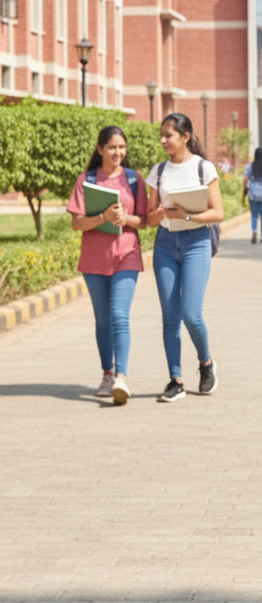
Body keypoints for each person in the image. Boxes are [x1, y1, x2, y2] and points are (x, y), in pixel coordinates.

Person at [67, 125, 148, 404]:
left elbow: (144, 220)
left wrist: (125, 219)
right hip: (94, 258)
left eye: (122, 147)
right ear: (100, 149)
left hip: (127, 253)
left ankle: (121, 378)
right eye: (112, 147)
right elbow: (77, 222)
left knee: (118, 315)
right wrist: (103, 216)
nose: (118, 152)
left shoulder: (134, 179)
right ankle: (107, 373)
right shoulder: (87, 179)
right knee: (102, 320)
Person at [146, 113, 224, 401]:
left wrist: (188, 215)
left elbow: (218, 212)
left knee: (191, 314)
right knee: (169, 317)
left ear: (185, 137)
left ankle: (206, 363)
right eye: (162, 135)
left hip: (196, 243)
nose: (164, 140)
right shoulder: (158, 171)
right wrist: (160, 212)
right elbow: (150, 218)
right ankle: (174, 379)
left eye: (169, 135)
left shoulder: (204, 168)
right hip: (165, 244)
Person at [243, 147, 262, 243]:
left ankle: (254, 230)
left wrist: (244, 191)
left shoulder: (250, 166)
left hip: (253, 192)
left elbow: (245, 179)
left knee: (254, 214)